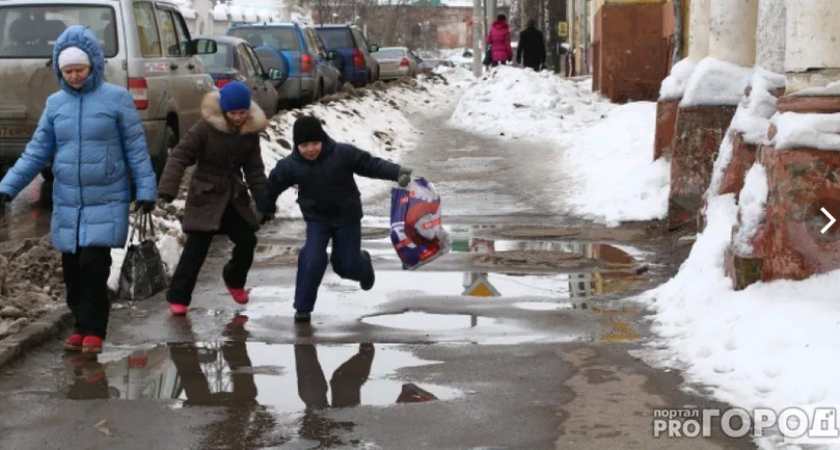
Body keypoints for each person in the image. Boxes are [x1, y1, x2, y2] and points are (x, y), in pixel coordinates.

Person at [0, 26, 157, 355]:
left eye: (79, 70)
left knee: (93, 266)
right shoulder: (55, 105)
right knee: (71, 270)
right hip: (69, 201)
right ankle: (79, 325)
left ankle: (95, 330)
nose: (73, 76)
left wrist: (145, 188)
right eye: (67, 70)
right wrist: (7, 188)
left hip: (107, 197)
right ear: (59, 70)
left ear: (93, 66)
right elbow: (36, 152)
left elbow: (136, 149)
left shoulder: (117, 99)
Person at [258, 116, 412, 323]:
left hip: (347, 217)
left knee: (344, 266)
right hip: (317, 219)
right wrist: (265, 209)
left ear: (322, 139)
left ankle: (363, 265)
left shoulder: (342, 153)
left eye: (314, 143)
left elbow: (370, 165)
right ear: (297, 145)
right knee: (311, 258)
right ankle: (303, 308)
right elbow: (273, 186)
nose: (310, 149)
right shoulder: (290, 166)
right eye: (304, 145)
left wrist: (397, 172)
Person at [157, 81, 269, 316]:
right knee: (196, 248)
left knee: (247, 240)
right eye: (233, 113)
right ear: (224, 111)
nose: (238, 117)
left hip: (232, 197)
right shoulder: (204, 128)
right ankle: (178, 296)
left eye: (242, 112)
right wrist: (168, 188)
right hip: (205, 196)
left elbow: (255, 170)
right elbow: (179, 156)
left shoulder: (249, 134)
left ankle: (234, 278)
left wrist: (264, 200)